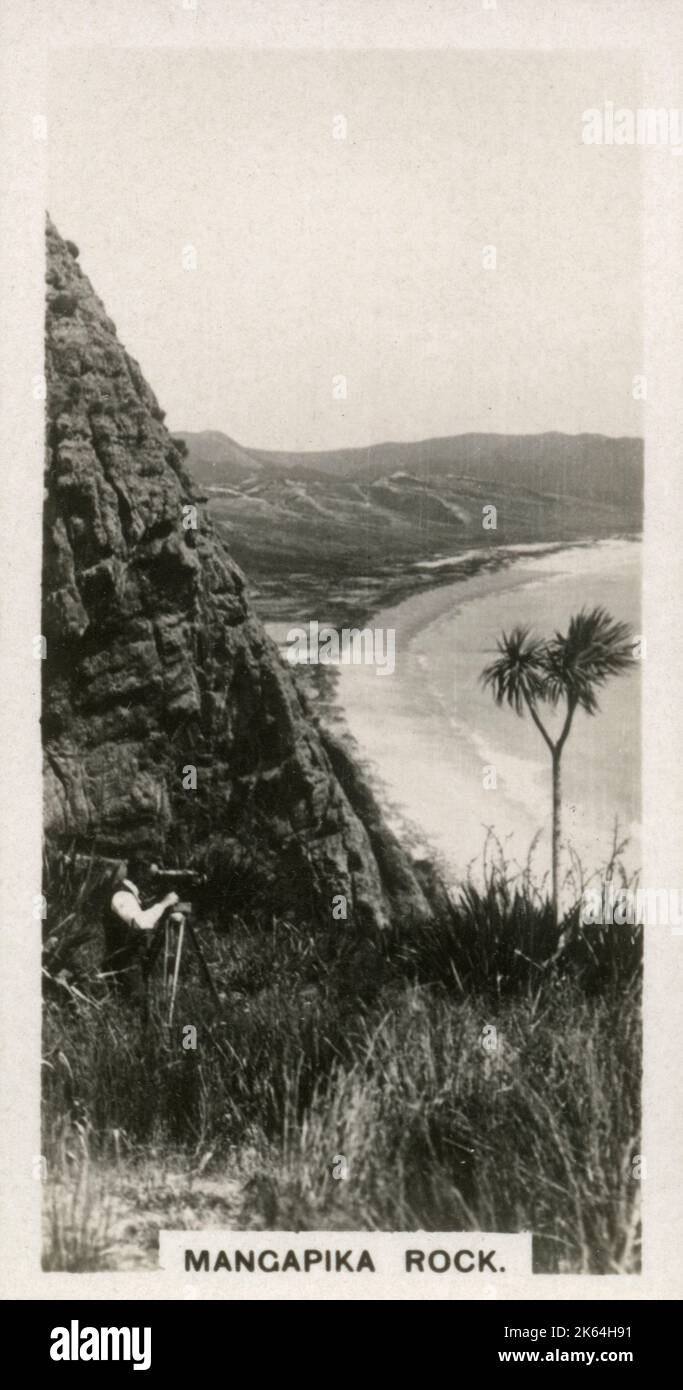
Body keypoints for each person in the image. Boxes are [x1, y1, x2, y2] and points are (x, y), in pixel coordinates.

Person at [102, 856, 180, 1000]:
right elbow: (140, 922)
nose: (151, 879)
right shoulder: (121, 894)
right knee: (135, 1006)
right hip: (124, 963)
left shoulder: (125, 889)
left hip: (127, 959)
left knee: (136, 1004)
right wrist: (164, 904)